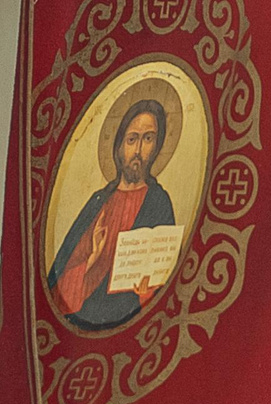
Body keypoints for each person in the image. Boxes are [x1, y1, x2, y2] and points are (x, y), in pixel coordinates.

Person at [46, 93, 176, 330]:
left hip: (133, 327)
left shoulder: (159, 202)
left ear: (157, 146)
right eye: (131, 139)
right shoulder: (98, 202)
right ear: (118, 146)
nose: (138, 150)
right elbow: (57, 296)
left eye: (148, 139)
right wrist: (92, 259)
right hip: (86, 323)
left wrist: (148, 295)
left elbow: (168, 285)